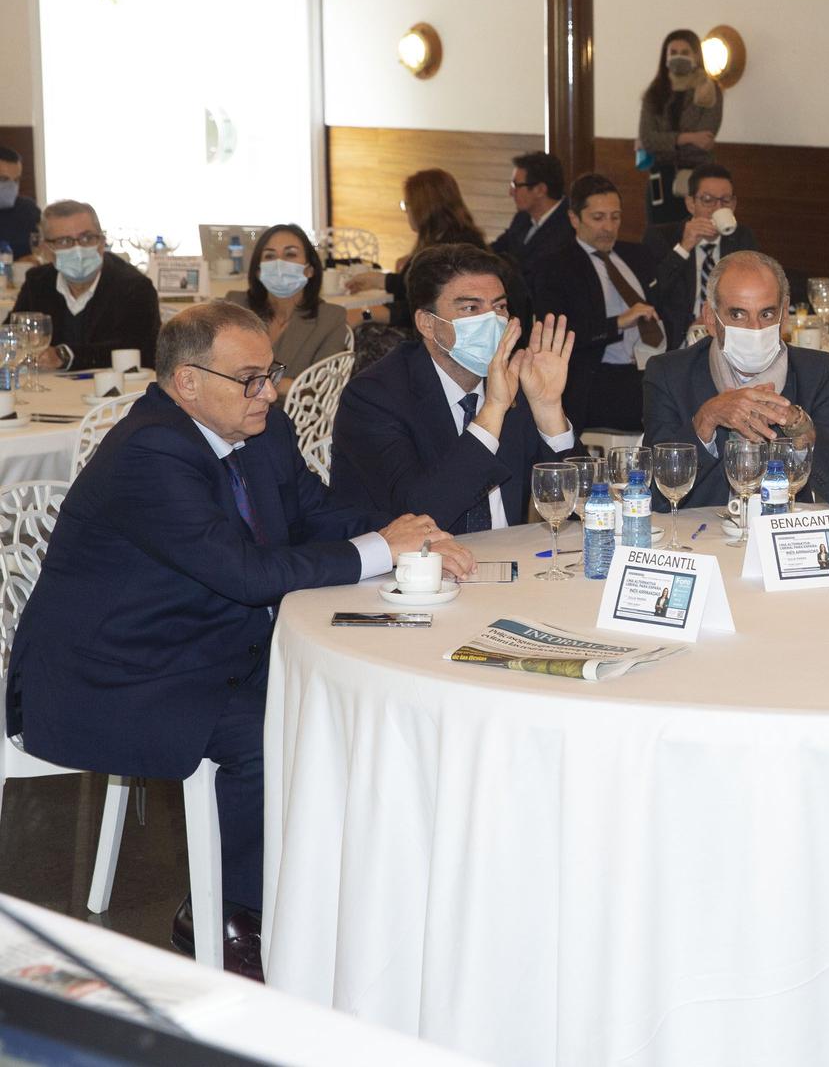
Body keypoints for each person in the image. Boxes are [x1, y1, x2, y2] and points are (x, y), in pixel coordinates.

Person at [3, 301, 474, 980]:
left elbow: (317, 512)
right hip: (111, 678)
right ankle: (225, 912)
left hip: (205, 645)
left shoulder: (259, 427)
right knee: (271, 731)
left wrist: (411, 534)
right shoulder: (151, 450)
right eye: (251, 378)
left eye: (272, 373)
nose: (272, 392)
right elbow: (247, 575)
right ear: (187, 381)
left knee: (332, 705)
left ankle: (313, 894)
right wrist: (381, 548)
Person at [331, 244, 578, 536]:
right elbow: (421, 516)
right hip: (408, 574)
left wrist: (548, 409)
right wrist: (492, 412)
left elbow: (577, 511)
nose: (492, 321)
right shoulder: (374, 397)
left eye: (499, 307)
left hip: (509, 565)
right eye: (471, 308)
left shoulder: (517, 379)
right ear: (427, 323)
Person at [642, 250, 829, 508]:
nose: (755, 329)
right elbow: (656, 497)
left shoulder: (813, 370)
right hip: (702, 537)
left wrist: (798, 426)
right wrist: (706, 420)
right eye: (738, 315)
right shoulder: (670, 373)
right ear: (711, 319)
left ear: (784, 317)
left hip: (782, 537)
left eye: (767, 314)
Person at [527, 174, 663, 433]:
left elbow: (661, 309)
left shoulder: (639, 256)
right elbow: (556, 334)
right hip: (596, 378)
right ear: (574, 219)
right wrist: (618, 323)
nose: (609, 227)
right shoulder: (555, 266)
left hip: (648, 374)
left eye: (615, 217)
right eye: (598, 218)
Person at [13, 200, 161, 369]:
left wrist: (64, 355)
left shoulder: (134, 287)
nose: (78, 249)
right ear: (46, 250)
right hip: (50, 389)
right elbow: (10, 335)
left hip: (115, 392)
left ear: (101, 242)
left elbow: (140, 349)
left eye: (86, 238)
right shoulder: (38, 282)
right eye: (64, 241)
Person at [344, 168, 495, 327]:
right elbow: (417, 288)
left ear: (422, 208)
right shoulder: (452, 238)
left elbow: (423, 306)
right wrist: (383, 279)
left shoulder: (453, 250)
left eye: (406, 204)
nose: (406, 211)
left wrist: (366, 312)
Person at [224, 223, 349, 396]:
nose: (279, 263)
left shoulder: (330, 318)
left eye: (290, 254)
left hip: (292, 418)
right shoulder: (236, 306)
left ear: (310, 270)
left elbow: (323, 387)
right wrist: (284, 384)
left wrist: (260, 383)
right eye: (269, 256)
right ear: (259, 271)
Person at [646, 162, 762, 347]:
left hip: (730, 336)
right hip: (678, 341)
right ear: (691, 203)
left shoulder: (742, 239)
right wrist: (684, 247)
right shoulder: (662, 237)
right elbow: (652, 293)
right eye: (707, 200)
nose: (717, 208)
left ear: (733, 204)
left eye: (725, 201)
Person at [637, 28, 724, 222]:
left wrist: (666, 142)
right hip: (660, 176)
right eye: (673, 53)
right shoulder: (654, 92)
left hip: (697, 177)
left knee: (697, 231)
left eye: (685, 53)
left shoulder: (709, 90)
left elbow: (705, 141)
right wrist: (688, 138)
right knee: (659, 235)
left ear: (696, 55)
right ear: (665, 57)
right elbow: (648, 138)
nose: (679, 57)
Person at [492, 151, 569, 268]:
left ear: (540, 190)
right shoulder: (522, 217)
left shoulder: (569, 225)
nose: (511, 193)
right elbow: (497, 250)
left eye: (516, 186)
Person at [0, 144, 41, 265]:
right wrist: (15, 264)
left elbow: (43, 247)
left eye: (16, 180)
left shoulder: (28, 209)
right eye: (3, 179)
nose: (11, 186)